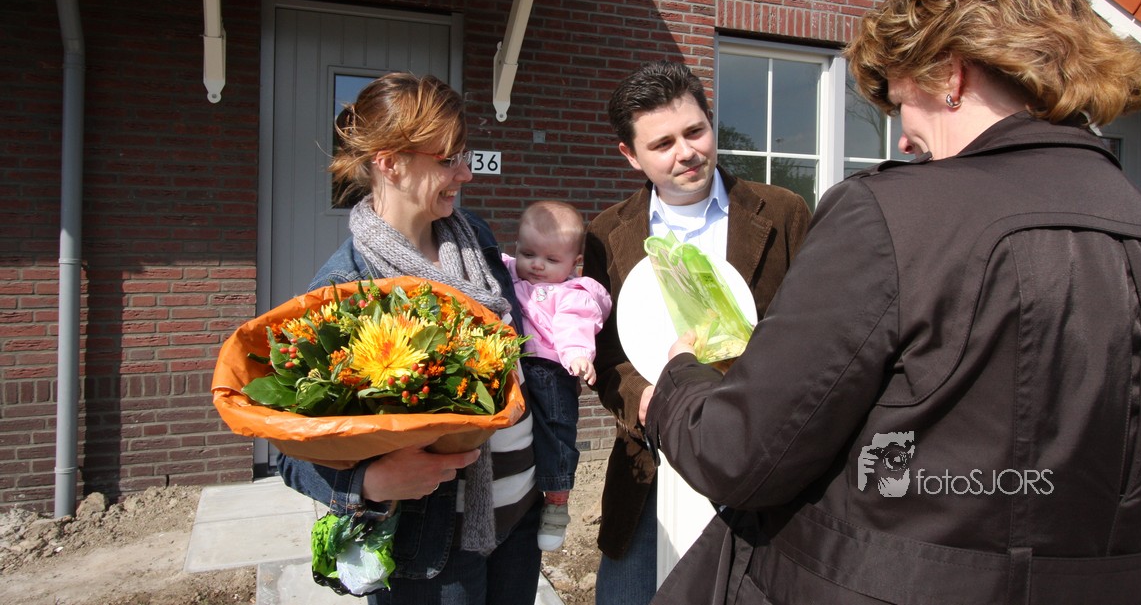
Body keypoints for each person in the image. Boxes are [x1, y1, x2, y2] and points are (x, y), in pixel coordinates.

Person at [644, 0, 1141, 604]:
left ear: (950, 72)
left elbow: (742, 454)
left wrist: (677, 384)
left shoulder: (893, 216)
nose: (902, 139)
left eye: (899, 102)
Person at [277, 72, 542, 605]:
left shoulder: (474, 238)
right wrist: (368, 484)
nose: (465, 173)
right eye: (447, 160)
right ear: (389, 162)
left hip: (518, 518)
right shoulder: (346, 286)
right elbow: (288, 448)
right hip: (434, 553)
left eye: (464, 156)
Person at [583, 60, 812, 605]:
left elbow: (816, 328)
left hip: (761, 458)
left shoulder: (784, 213)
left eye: (695, 131)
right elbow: (604, 351)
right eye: (662, 143)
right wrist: (641, 398)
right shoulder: (606, 233)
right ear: (630, 154)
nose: (686, 152)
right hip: (652, 464)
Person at [502, 200, 613, 552]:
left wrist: (577, 355)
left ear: (573, 263)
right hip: (515, 367)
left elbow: (572, 325)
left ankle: (556, 500)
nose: (537, 265)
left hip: (551, 371)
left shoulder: (570, 294)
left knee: (556, 432)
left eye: (551, 260)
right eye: (528, 253)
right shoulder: (509, 274)